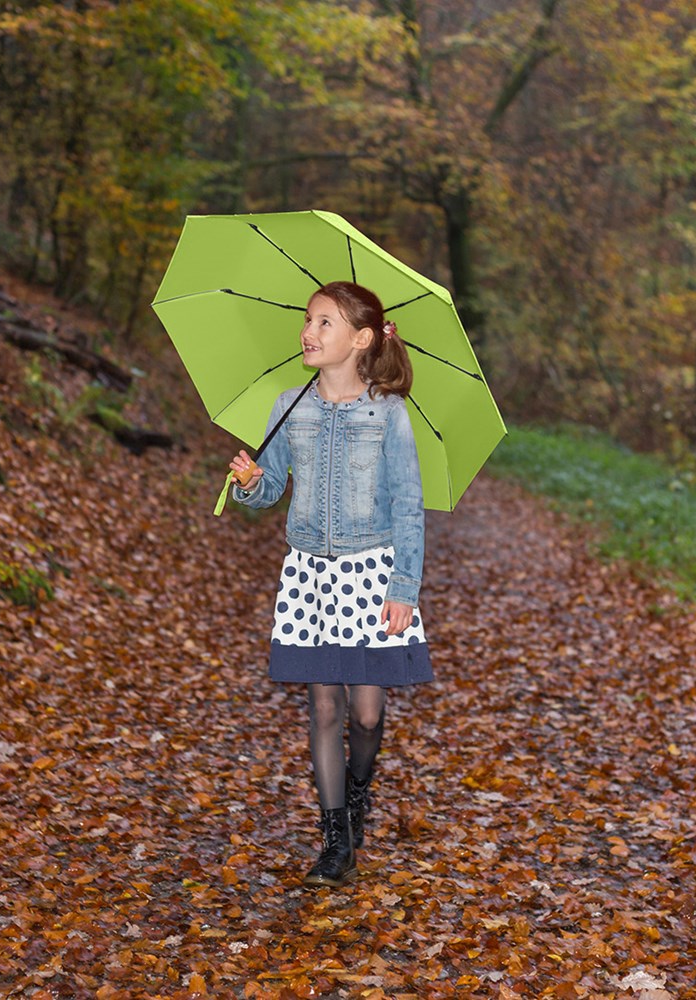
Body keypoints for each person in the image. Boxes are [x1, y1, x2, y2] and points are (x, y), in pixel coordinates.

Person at [229, 280, 433, 888]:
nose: (307, 332)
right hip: (311, 573)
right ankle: (335, 837)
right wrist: (250, 480)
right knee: (324, 705)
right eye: (308, 321)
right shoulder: (291, 406)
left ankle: (358, 794)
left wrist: (405, 585)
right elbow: (269, 495)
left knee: (366, 715)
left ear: (361, 339)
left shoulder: (389, 414)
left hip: (372, 572)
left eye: (323, 323)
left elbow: (409, 505)